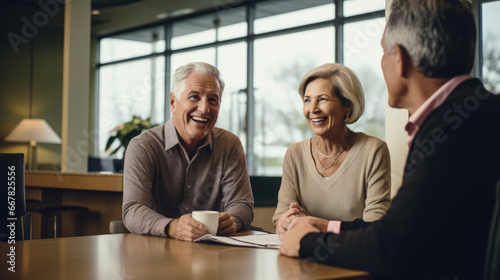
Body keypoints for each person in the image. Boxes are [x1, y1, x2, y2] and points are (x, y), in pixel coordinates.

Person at [279, 0, 500, 279]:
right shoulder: (470, 111)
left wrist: (307, 242)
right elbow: (401, 229)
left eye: (384, 52)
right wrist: (324, 226)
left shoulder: (453, 128)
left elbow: (392, 246)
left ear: (402, 60)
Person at [123, 62, 254, 241]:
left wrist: (232, 220)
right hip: (157, 253)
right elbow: (133, 210)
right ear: (173, 103)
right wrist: (172, 227)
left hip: (215, 255)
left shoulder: (229, 145)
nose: (205, 108)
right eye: (194, 97)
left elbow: (242, 205)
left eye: (213, 100)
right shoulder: (144, 146)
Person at [273, 63, 391, 240]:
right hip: (304, 256)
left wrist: (315, 225)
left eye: (322, 99)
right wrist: (286, 221)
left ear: (347, 107)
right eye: (307, 100)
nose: (312, 109)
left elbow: (375, 226)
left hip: (352, 259)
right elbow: (280, 216)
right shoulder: (294, 153)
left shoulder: (374, 150)